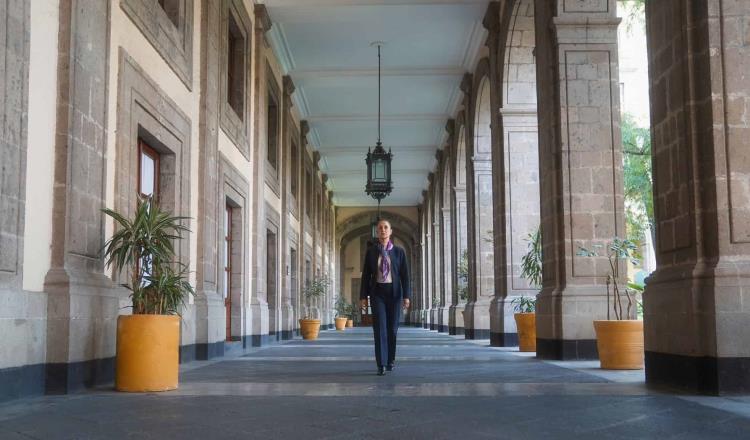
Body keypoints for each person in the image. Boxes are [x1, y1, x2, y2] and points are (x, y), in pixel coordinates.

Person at [360, 219, 410, 376]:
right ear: (377, 231)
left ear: (390, 231)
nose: (382, 230)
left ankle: (390, 360)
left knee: (392, 329)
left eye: (385, 227)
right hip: (378, 293)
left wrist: (406, 296)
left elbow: (405, 276)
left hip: (395, 294)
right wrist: (363, 296)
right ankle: (381, 363)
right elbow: (366, 276)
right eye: (380, 228)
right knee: (380, 328)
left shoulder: (399, 252)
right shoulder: (371, 252)